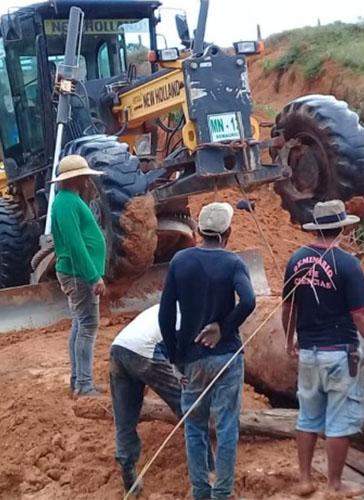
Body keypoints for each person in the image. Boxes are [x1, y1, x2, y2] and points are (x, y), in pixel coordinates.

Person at [282, 200, 364, 497]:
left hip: (308, 352)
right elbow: (360, 314)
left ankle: (305, 479)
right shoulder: (347, 263)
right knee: (339, 420)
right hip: (340, 352)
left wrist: (288, 339)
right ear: (343, 228)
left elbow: (288, 307)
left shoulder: (296, 260)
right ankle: (334, 484)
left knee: (307, 416)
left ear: (317, 228)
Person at [159, 202, 256, 500]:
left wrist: (175, 359)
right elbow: (249, 301)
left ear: (199, 231)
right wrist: (224, 328)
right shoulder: (233, 263)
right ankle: (222, 493)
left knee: (195, 427)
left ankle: (201, 492)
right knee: (227, 426)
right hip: (226, 356)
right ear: (228, 232)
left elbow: (165, 314)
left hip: (192, 358)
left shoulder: (180, 261)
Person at [110, 304, 216, 497]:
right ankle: (209, 470)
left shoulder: (169, 304)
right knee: (189, 409)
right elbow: (185, 359)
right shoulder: (191, 314)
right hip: (146, 351)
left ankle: (129, 478)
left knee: (124, 418)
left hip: (118, 349)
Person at [51, 155, 107, 397]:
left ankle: (78, 380)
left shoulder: (67, 200)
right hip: (78, 275)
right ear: (76, 178)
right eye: (84, 176)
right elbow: (75, 244)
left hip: (77, 273)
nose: (87, 180)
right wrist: (93, 276)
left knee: (79, 323)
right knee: (88, 325)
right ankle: (84, 385)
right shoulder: (66, 203)